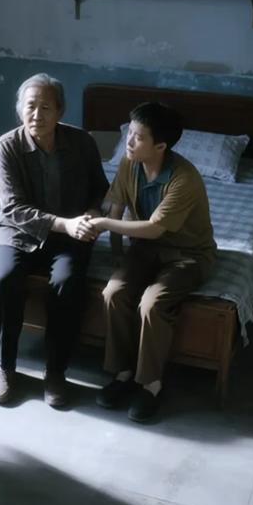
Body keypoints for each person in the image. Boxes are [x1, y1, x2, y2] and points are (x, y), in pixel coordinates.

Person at [86, 102, 217, 422]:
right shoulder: (129, 163)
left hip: (188, 255)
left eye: (138, 137)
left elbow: (155, 228)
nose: (129, 142)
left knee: (152, 303)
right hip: (145, 249)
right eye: (129, 133)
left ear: (160, 146)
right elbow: (117, 205)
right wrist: (117, 253)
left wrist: (103, 225)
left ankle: (151, 384)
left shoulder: (184, 179)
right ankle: (123, 373)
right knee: (114, 292)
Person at [0, 74, 109, 408]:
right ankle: (4, 367)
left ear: (60, 111)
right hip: (18, 230)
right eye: (30, 106)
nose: (37, 114)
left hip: (70, 232)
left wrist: (91, 214)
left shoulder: (82, 142)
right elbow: (12, 208)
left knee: (68, 282)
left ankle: (55, 372)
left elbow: (100, 189)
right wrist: (64, 224)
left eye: (45, 107)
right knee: (5, 279)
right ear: (19, 109)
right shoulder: (6, 146)